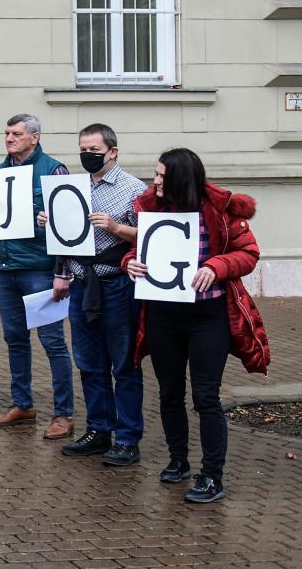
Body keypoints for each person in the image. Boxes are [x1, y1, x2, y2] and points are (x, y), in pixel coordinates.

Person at [124, 148, 268, 504]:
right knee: (170, 393)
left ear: (180, 179)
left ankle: (212, 476)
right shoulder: (150, 207)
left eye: (160, 175)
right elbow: (139, 249)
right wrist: (131, 263)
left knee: (206, 398)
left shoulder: (221, 210)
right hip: (162, 315)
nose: (154, 181)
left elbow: (248, 253)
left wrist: (216, 266)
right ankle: (178, 461)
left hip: (208, 317)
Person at [46, 124, 146, 467]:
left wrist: (117, 228)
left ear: (113, 151)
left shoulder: (134, 189)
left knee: (125, 364)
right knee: (89, 364)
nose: (87, 155)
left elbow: (151, 237)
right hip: (82, 286)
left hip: (118, 286)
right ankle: (99, 430)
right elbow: (67, 238)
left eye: (94, 149)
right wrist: (52, 222)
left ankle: (128, 438)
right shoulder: (72, 188)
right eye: (83, 149)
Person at [0, 113, 75, 439]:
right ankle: (23, 404)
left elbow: (69, 227)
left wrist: (63, 274)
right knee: (15, 339)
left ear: (34, 137)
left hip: (40, 270)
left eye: (16, 133)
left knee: (52, 342)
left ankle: (64, 414)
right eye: (7, 133)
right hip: (6, 269)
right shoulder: (2, 172)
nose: (9, 138)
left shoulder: (53, 170)